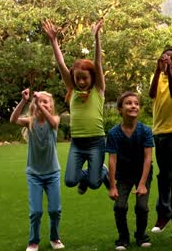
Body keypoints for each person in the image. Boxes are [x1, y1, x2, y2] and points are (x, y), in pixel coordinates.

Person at [42, 19, 109, 194]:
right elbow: (61, 64)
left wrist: (96, 38)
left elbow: (98, 62)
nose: (80, 81)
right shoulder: (71, 89)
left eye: (84, 78)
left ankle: (102, 171)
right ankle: (92, 175)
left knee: (95, 183)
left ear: (92, 77)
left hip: (96, 142)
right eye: (77, 78)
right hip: (77, 143)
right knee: (70, 180)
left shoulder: (98, 89)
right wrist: (53, 41)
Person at [10, 89, 65, 251]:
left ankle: (55, 238)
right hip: (34, 174)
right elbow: (13, 120)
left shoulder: (54, 119)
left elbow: (54, 124)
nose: (42, 104)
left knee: (55, 210)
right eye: (40, 102)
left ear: (51, 106)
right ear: (34, 106)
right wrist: (24, 100)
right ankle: (33, 241)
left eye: (46, 101)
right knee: (36, 212)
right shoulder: (30, 121)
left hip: (52, 173)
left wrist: (38, 103)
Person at [106, 92, 154, 250]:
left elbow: (148, 158)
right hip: (124, 174)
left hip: (143, 173)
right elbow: (112, 160)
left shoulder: (145, 131)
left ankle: (141, 236)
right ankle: (123, 238)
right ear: (120, 109)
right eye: (128, 103)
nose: (133, 106)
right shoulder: (113, 133)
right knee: (119, 206)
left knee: (142, 206)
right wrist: (112, 186)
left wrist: (142, 184)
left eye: (136, 103)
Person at [148, 48, 172, 238]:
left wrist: (170, 73)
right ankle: (162, 216)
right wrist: (158, 70)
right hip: (159, 133)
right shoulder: (156, 76)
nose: (169, 61)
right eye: (166, 58)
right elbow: (151, 93)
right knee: (163, 177)